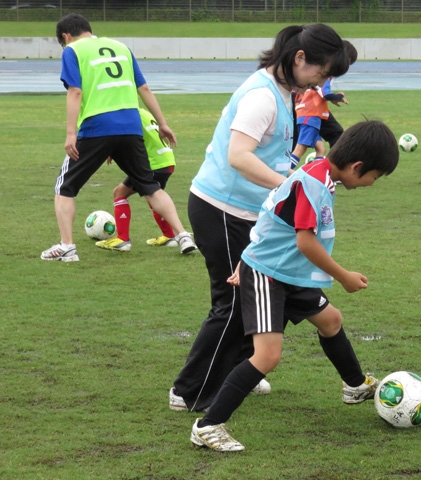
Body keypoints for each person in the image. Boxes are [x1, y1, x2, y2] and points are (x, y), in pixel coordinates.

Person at [169, 24, 352, 413]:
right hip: (221, 208)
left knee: (259, 296)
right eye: (322, 73)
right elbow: (239, 155)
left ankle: (240, 369)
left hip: (253, 213)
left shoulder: (288, 91)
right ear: (300, 59)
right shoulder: (262, 96)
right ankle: (189, 391)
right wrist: (290, 185)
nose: (322, 81)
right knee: (232, 302)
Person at [190, 120, 399, 452]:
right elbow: (305, 242)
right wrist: (343, 276)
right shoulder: (314, 183)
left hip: (289, 274)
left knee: (331, 321)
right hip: (269, 275)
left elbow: (274, 215)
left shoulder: (319, 171)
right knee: (267, 356)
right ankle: (208, 426)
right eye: (375, 176)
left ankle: (355, 385)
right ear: (357, 167)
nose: (373, 183)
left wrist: (247, 252)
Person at [41, 13, 195, 262]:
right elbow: (143, 87)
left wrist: (71, 133)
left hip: (97, 125)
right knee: (150, 187)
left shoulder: (73, 51)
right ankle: (183, 235)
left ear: (65, 37)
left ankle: (67, 247)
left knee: (65, 188)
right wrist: (163, 123)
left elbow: (76, 90)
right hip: (132, 125)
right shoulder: (121, 47)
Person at [96, 108, 187, 252]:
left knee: (119, 193)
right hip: (166, 160)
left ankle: (123, 240)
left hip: (152, 163)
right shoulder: (142, 111)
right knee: (153, 197)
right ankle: (169, 236)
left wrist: (111, 149)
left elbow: (128, 138)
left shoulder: (128, 114)